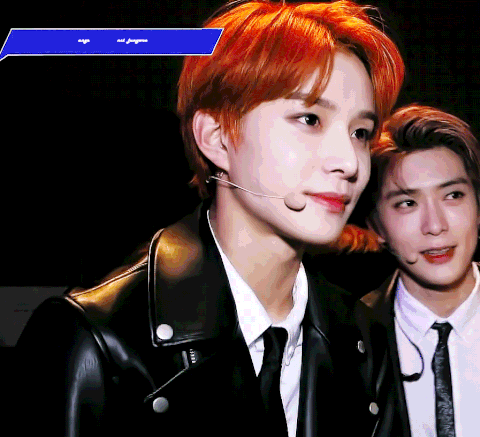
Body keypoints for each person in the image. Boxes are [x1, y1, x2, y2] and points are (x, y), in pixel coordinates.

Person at [14, 1, 404, 436]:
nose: (349, 161)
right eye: (310, 119)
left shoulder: (364, 336)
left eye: (360, 132)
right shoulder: (96, 338)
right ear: (216, 138)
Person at [362, 104, 480, 437]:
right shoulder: (347, 337)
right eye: (407, 203)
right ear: (376, 226)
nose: (435, 225)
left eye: (453, 195)